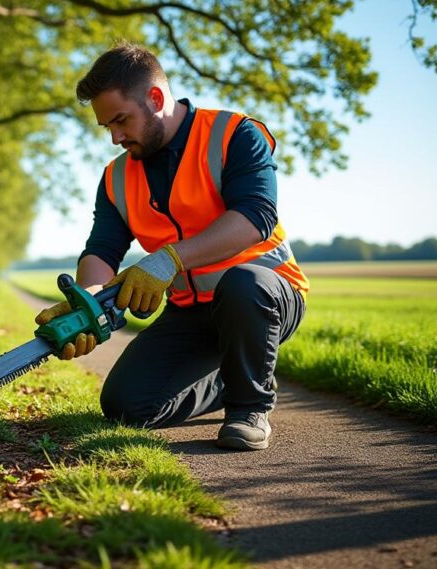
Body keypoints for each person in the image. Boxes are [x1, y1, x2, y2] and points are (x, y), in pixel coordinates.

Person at [35, 43, 308, 451]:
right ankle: (236, 375)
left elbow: (256, 217)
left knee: (244, 282)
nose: (115, 137)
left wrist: (170, 258)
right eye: (107, 126)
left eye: (121, 120)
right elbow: (102, 249)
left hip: (263, 299)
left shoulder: (235, 134)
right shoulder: (115, 177)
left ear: (156, 98)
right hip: (190, 311)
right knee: (126, 406)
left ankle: (249, 406)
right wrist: (90, 300)